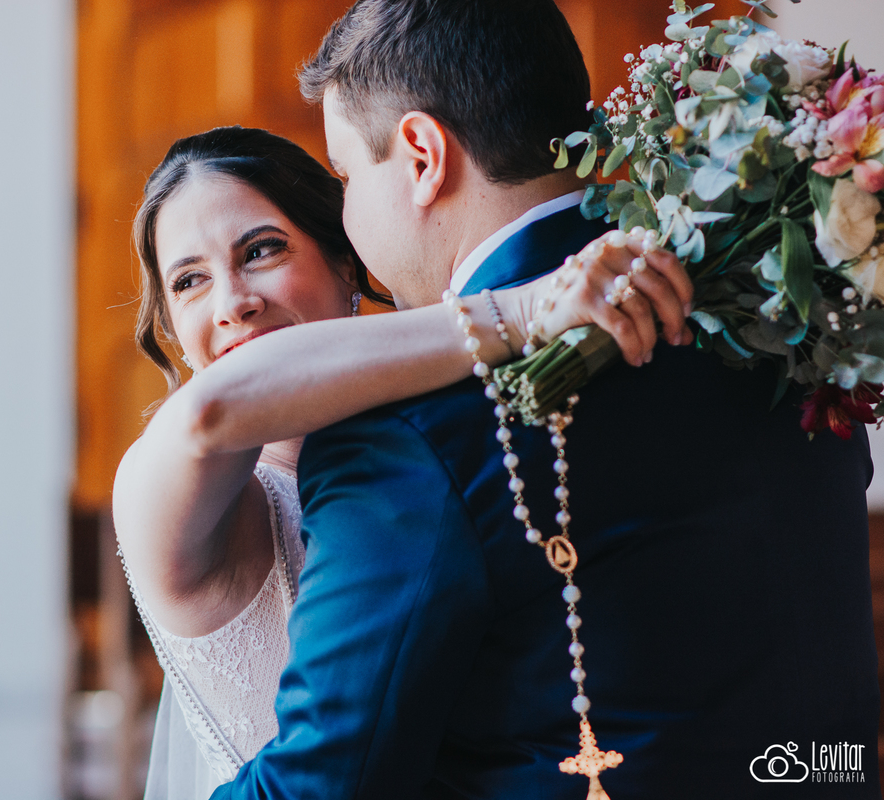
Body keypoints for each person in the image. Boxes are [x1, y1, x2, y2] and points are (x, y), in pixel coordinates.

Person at [211, 1, 880, 798]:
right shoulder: (782, 329)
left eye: (349, 176)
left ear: (422, 156)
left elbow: (322, 785)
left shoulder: (405, 433)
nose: (348, 215)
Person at [112, 126, 693, 799]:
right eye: (189, 282)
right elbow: (212, 411)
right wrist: (524, 307)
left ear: (345, 261)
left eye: (261, 250)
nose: (231, 301)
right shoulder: (160, 492)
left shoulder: (443, 430)